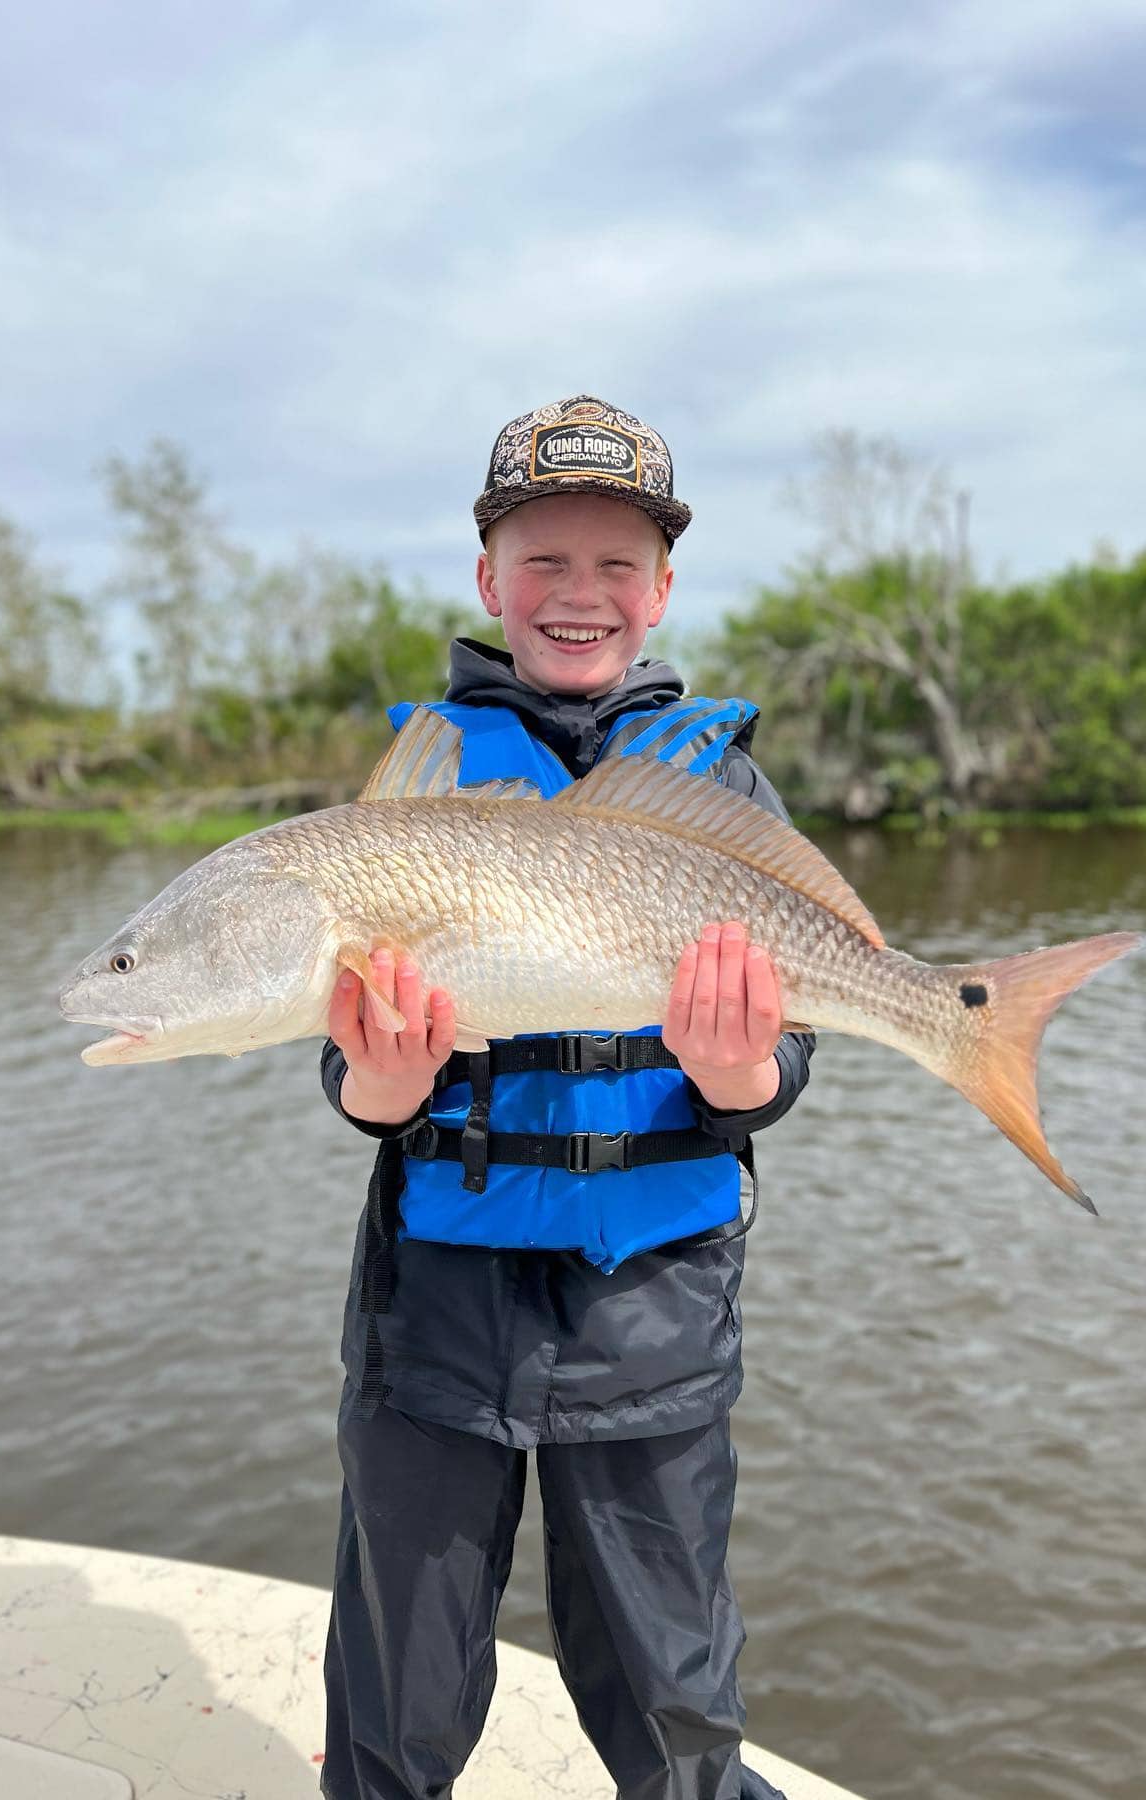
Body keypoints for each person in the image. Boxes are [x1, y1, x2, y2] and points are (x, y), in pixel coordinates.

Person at [318, 395, 815, 1800]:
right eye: (545, 561)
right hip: (435, 1322)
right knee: (395, 1704)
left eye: (616, 565)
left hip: (652, 1306)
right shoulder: (412, 794)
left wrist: (745, 1075)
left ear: (661, 589)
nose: (579, 595)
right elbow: (341, 1053)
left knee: (674, 1702)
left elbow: (789, 1054)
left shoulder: (725, 786)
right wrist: (376, 1083)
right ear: (489, 580)